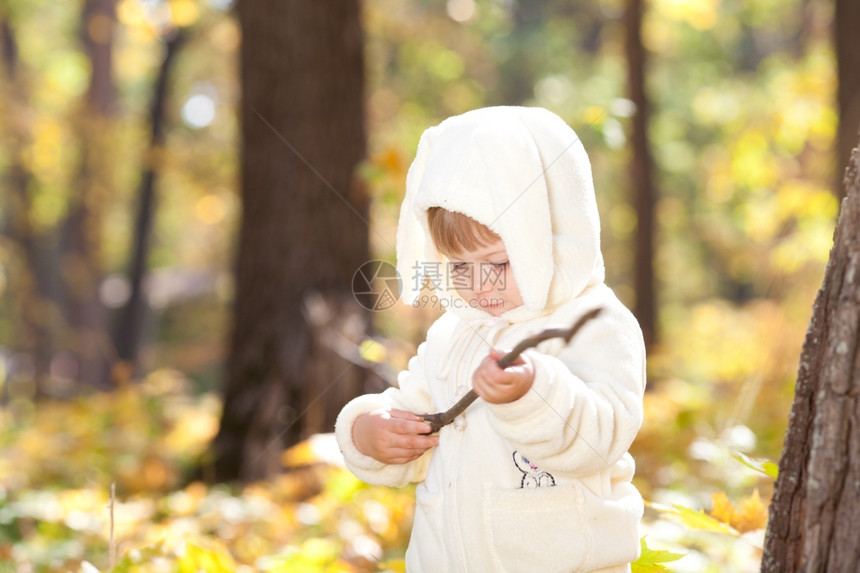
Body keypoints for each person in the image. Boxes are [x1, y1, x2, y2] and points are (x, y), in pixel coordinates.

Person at [335, 106, 646, 572]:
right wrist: (371, 433)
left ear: (553, 236)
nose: (479, 285)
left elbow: (600, 438)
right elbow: (414, 414)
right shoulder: (453, 336)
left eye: (499, 263)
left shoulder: (595, 322)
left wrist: (530, 393)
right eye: (459, 266)